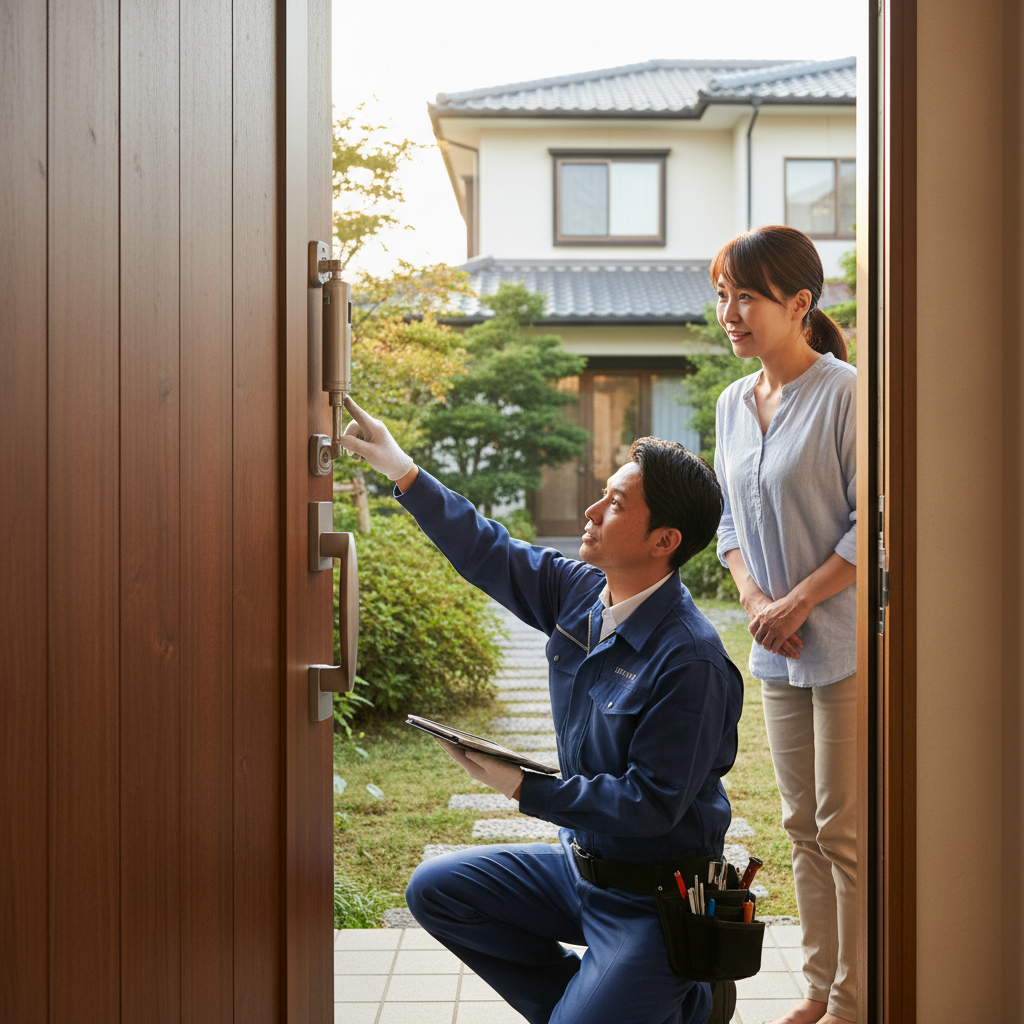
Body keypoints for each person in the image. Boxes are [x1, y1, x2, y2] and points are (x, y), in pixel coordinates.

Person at [340, 394, 744, 1024]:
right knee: (438, 891)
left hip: (655, 900)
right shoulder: (585, 592)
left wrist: (524, 788)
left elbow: (652, 804)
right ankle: (601, 1004)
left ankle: (686, 999)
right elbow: (488, 551)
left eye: (614, 504)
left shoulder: (691, 660)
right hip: (579, 870)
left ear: (664, 540)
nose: (590, 510)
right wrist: (403, 470)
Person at [712, 225, 857, 1024]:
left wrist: (798, 601)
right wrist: (756, 600)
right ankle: (815, 988)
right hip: (775, 645)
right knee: (801, 825)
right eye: (723, 296)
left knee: (843, 829)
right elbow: (730, 522)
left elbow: (872, 524)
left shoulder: (848, 391)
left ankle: (854, 998)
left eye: (748, 297)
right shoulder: (734, 401)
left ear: (800, 304)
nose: (731, 312)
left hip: (838, 645)